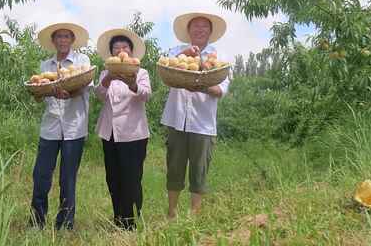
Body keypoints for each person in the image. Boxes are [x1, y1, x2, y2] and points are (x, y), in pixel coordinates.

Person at [161, 12, 230, 218]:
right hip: (176, 119)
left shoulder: (218, 58)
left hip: (203, 123)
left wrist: (200, 87)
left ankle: (193, 215)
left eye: (204, 27)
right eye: (195, 26)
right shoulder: (176, 52)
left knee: (199, 171)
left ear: (210, 31)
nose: (200, 29)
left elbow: (220, 91)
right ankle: (172, 213)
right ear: (188, 31)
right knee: (174, 167)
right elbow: (164, 69)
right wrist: (186, 53)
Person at [30, 22, 92, 230]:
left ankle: (65, 224)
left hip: (74, 127)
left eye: (67, 37)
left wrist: (67, 93)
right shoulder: (45, 66)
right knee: (41, 175)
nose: (63, 40)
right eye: (59, 37)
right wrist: (41, 92)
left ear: (72, 40)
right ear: (54, 41)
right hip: (50, 127)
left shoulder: (82, 61)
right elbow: (40, 95)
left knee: (68, 178)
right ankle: (37, 221)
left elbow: (83, 87)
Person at [95, 28, 152, 230]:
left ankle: (132, 221)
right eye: (116, 48)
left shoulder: (140, 71)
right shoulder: (105, 72)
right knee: (113, 177)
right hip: (109, 132)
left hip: (134, 133)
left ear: (131, 51)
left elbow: (146, 94)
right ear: (112, 53)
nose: (121, 50)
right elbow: (99, 95)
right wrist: (108, 79)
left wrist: (133, 83)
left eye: (125, 47)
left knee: (132, 178)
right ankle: (118, 218)